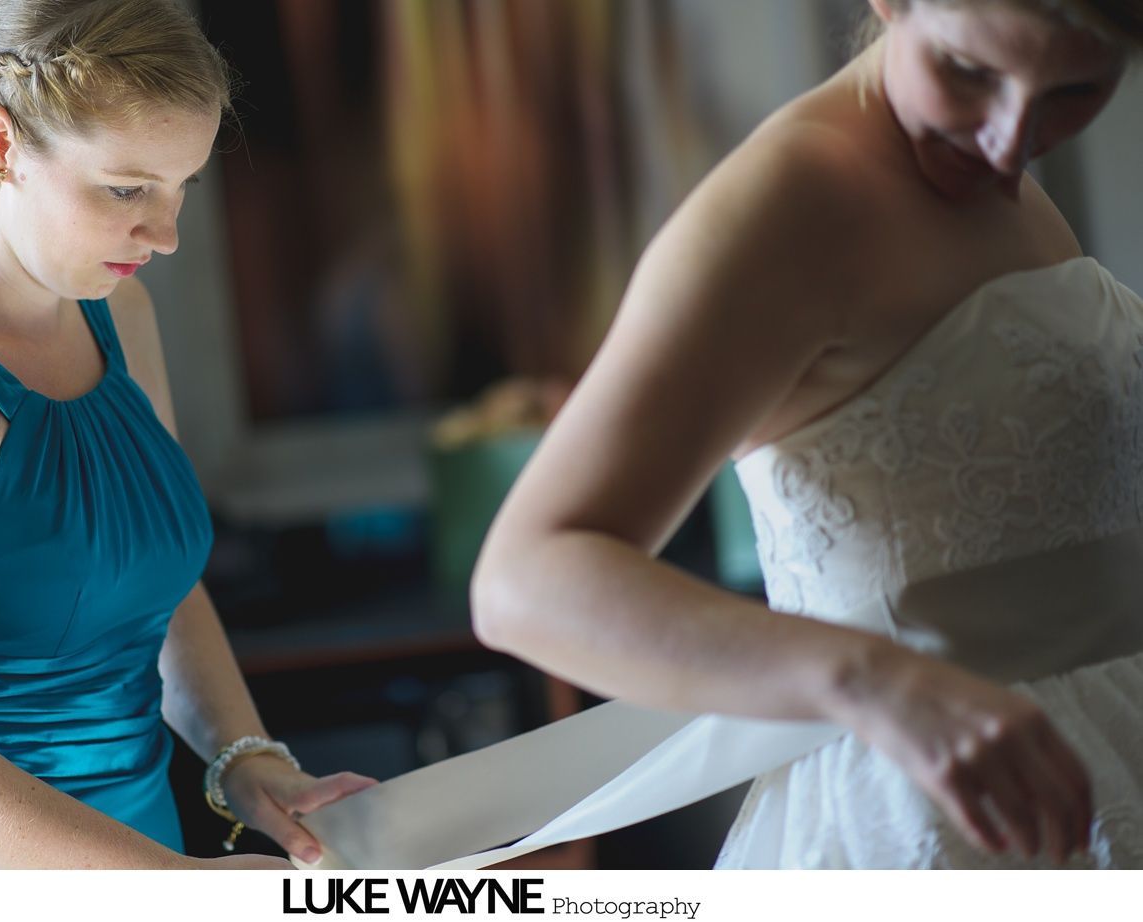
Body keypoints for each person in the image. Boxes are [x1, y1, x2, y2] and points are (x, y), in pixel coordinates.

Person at [471, 0, 1143, 869]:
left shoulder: (994, 178)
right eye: (969, 71)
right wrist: (876, 680)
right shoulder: (786, 206)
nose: (1011, 143)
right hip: (935, 821)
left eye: (1074, 92)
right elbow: (526, 579)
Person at [0, 0, 373, 870]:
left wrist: (245, 757)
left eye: (179, 188)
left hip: (139, 858)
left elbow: (154, 579)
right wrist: (176, 893)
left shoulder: (117, 309)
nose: (162, 235)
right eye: (126, 189)